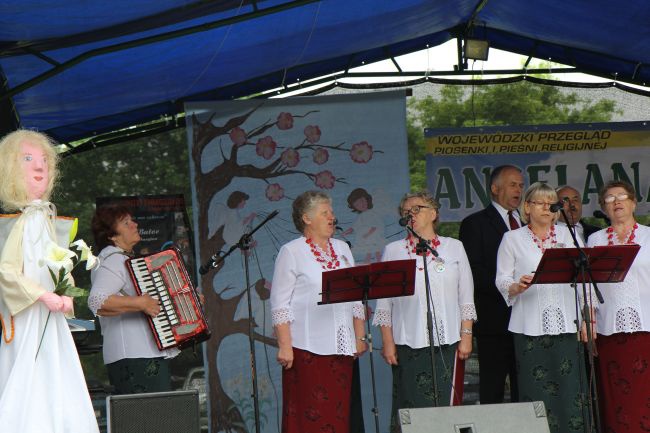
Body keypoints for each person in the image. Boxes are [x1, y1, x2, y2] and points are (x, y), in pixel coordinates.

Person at [0, 130, 99, 432]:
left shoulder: (46, 220)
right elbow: (6, 271)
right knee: (27, 377)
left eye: (44, 160)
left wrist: (66, 292)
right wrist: (42, 295)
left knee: (57, 374)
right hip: (27, 319)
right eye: (28, 159)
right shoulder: (13, 223)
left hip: (51, 319)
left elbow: (58, 260)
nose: (40, 167)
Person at [373, 191, 475, 433]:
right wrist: (388, 342)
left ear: (433, 213)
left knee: (446, 406)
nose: (411, 215)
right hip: (408, 343)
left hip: (449, 341)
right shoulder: (393, 251)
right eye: (405, 212)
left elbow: (466, 296)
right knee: (412, 405)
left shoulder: (454, 248)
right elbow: (384, 304)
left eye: (416, 209)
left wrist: (466, 336)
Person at [496, 182, 591, 433]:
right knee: (534, 389)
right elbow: (502, 279)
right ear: (527, 207)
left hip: (567, 323)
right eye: (540, 202)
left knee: (571, 388)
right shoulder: (511, 238)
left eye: (551, 203)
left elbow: (583, 280)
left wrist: (586, 320)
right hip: (528, 326)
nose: (547, 207)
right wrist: (516, 286)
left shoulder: (568, 235)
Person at [270, 190, 367, 433]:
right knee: (309, 415)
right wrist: (285, 345)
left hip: (342, 346)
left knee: (338, 413)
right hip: (306, 348)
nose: (332, 217)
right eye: (325, 213)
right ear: (307, 218)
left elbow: (356, 296)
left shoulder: (343, 248)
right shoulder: (291, 251)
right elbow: (280, 304)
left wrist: (360, 336)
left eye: (331, 212)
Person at [88, 203, 179, 394]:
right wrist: (140, 303)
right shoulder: (112, 260)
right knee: (146, 419)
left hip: (141, 354)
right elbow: (97, 301)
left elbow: (152, 301)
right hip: (133, 356)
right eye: (126, 222)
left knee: (151, 418)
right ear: (112, 235)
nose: (135, 224)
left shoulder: (124, 260)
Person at [586, 180, 650, 433]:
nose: (617, 202)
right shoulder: (595, 240)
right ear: (604, 207)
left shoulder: (648, 236)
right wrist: (587, 320)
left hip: (647, 325)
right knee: (616, 395)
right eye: (610, 199)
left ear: (634, 202)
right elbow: (587, 286)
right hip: (608, 329)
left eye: (622, 196)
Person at [458, 165, 524, 403]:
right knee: (493, 386)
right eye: (512, 184)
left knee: (524, 385)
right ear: (495, 189)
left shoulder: (527, 224)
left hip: (526, 319)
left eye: (521, 185)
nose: (518, 190)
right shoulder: (475, 223)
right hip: (494, 320)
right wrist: (510, 286)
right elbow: (473, 272)